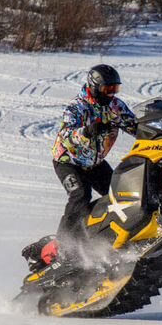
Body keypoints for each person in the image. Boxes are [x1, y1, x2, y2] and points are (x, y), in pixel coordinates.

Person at [51, 64, 136, 259]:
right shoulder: (77, 106)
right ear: (94, 86)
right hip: (68, 160)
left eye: (115, 89)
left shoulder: (116, 106)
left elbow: (133, 125)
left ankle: (104, 235)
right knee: (80, 195)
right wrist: (87, 131)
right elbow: (66, 134)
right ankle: (63, 246)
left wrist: (154, 133)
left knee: (118, 194)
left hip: (94, 163)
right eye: (107, 89)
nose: (111, 94)